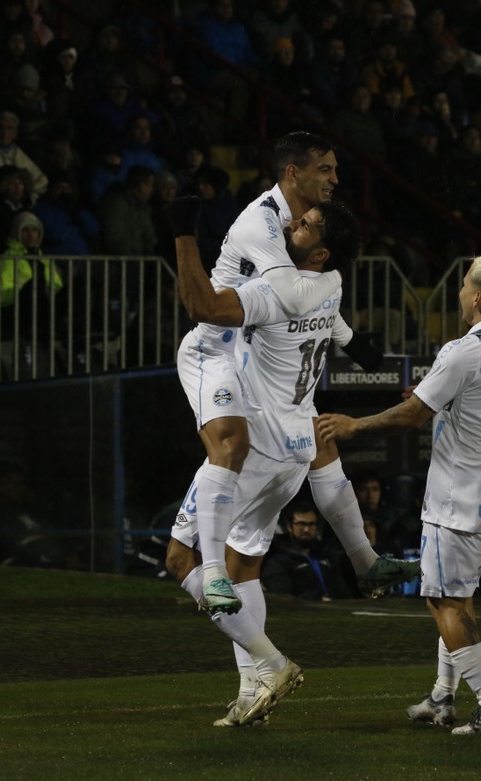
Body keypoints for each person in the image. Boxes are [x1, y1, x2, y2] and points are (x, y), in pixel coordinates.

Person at [167, 131, 408, 616]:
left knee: (317, 440)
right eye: (326, 170)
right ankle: (211, 571)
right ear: (292, 173)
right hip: (218, 349)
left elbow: (307, 290)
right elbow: (297, 295)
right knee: (234, 444)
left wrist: (348, 339)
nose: (336, 179)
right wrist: (334, 297)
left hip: (261, 345)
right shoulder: (262, 224)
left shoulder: (308, 242)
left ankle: (359, 565)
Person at [164, 197, 375, 727]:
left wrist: (182, 234)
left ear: (321, 250)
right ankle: (250, 690)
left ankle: (270, 661)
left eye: (306, 225)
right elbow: (346, 335)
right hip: (294, 454)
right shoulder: (331, 286)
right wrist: (367, 351)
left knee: (181, 559)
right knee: (246, 565)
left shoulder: (278, 292)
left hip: (257, 448)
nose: (293, 221)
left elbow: (204, 307)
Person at [319, 254, 481, 736]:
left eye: (464, 286)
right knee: (457, 598)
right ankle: (442, 697)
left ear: (478, 296)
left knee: (443, 600)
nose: (460, 293)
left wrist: (355, 424)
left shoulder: (465, 349)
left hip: (458, 499)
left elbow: (415, 415)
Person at [261, 503, 351, 601]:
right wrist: (318, 601)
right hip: (303, 612)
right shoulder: (277, 560)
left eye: (311, 524)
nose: (307, 529)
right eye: (301, 524)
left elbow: (343, 590)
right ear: (289, 526)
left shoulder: (325, 555)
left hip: (337, 610)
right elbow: (282, 597)